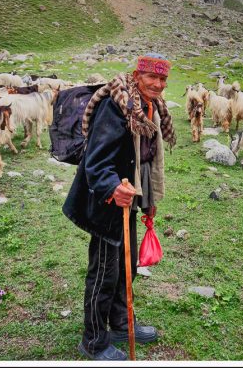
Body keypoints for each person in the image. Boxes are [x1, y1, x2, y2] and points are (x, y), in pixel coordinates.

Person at [63, 53, 177, 361]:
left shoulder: (151, 108)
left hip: (128, 199)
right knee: (104, 272)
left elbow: (145, 159)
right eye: (151, 77)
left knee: (126, 269)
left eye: (163, 79)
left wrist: (147, 202)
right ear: (137, 76)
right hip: (104, 202)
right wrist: (113, 187)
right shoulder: (118, 105)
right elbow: (96, 159)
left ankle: (121, 324)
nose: (157, 84)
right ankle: (94, 340)